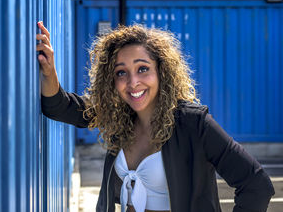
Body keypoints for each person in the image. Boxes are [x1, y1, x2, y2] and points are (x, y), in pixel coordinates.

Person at [36, 22, 275, 212]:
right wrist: (48, 70)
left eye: (142, 69)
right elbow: (60, 107)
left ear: (162, 71)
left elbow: (256, 185)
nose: (133, 82)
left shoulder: (192, 124)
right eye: (121, 72)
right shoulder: (120, 116)